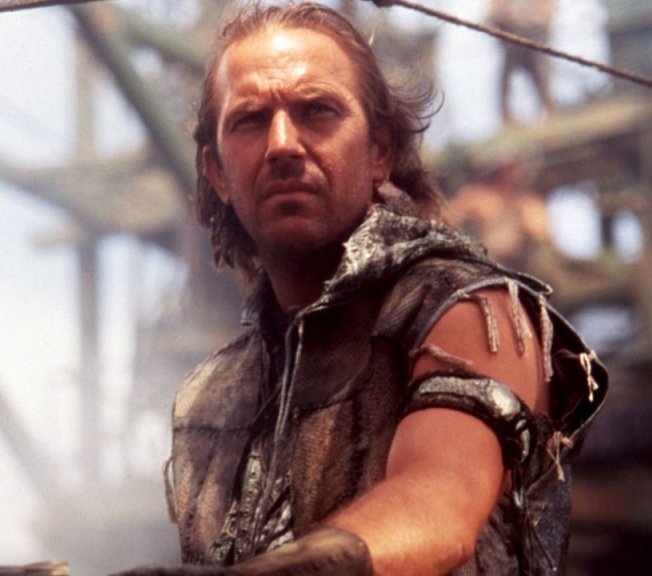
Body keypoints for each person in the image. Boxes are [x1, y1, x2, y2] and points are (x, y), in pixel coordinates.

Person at [116, 3, 606, 575]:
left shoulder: (466, 311)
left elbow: (439, 507)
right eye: (249, 120)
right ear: (218, 173)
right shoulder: (211, 397)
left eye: (316, 111)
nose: (282, 143)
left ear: (379, 151)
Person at [487, 0, 557, 124]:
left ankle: (550, 111)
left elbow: (546, 9)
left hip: (534, 33)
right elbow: (492, 13)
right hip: (511, 35)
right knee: (506, 78)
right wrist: (504, 16)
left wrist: (538, 19)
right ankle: (506, 117)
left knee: (539, 74)